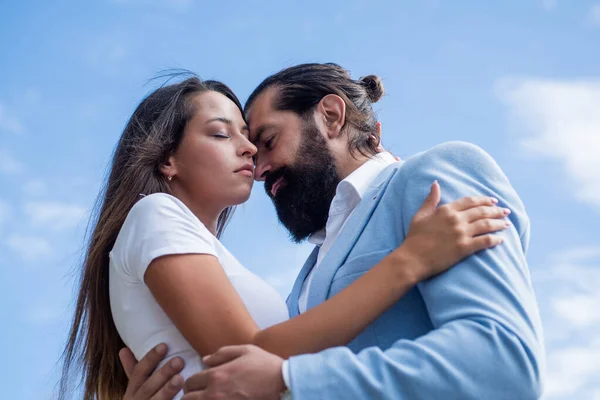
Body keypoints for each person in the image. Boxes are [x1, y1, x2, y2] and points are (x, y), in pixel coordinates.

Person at [58, 73, 510, 400]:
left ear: (333, 117)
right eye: (221, 133)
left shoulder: (433, 178)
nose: (250, 152)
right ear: (167, 160)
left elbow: (501, 362)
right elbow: (248, 357)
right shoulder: (156, 213)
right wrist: (409, 261)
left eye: (259, 139)